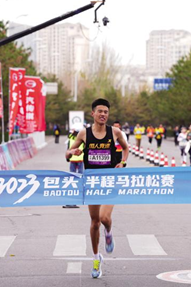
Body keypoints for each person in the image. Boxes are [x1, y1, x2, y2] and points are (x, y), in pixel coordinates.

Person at [66, 98, 128, 279]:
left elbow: (125, 149)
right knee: (94, 223)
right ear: (93, 114)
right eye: (100, 111)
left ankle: (109, 232)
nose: (103, 114)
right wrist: (72, 152)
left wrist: (123, 163)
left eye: (106, 112)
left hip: (110, 181)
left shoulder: (115, 132)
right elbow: (67, 153)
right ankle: (96, 258)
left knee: (104, 218)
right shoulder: (83, 134)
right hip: (91, 183)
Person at [64, 129, 83, 209]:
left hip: (77, 159)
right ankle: (79, 187)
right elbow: (68, 148)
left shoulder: (70, 138)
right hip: (78, 159)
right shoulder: (80, 138)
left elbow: (67, 148)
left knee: (74, 176)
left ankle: (77, 187)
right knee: (79, 176)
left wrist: (68, 157)